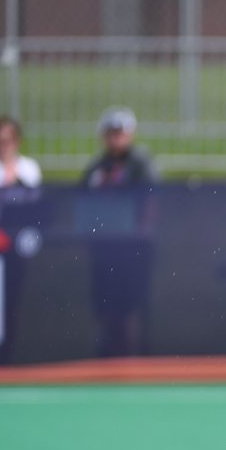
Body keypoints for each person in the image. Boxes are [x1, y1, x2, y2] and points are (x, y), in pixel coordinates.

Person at [81, 106, 158, 357]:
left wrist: (142, 233)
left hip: (131, 251)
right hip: (104, 250)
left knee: (128, 308)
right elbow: (83, 201)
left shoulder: (140, 164)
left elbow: (150, 200)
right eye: (111, 133)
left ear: (130, 135)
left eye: (121, 133)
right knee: (106, 307)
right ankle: (111, 356)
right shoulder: (96, 168)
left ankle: (129, 358)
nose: (116, 138)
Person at [0, 116, 42, 189]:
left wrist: (18, 181)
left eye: (8, 141)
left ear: (17, 142)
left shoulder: (30, 167)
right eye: (0, 141)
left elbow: (35, 196)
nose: (4, 147)